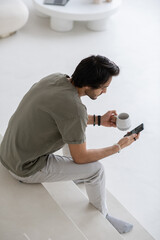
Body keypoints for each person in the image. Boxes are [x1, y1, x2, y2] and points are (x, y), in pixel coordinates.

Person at [0, 55, 139, 234]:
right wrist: (118, 146)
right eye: (103, 88)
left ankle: (76, 176)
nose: (105, 92)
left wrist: (98, 120)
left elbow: (66, 116)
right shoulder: (75, 109)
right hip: (24, 167)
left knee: (74, 135)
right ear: (89, 85)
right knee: (97, 170)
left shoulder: (55, 78)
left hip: (7, 151)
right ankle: (102, 215)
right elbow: (80, 156)